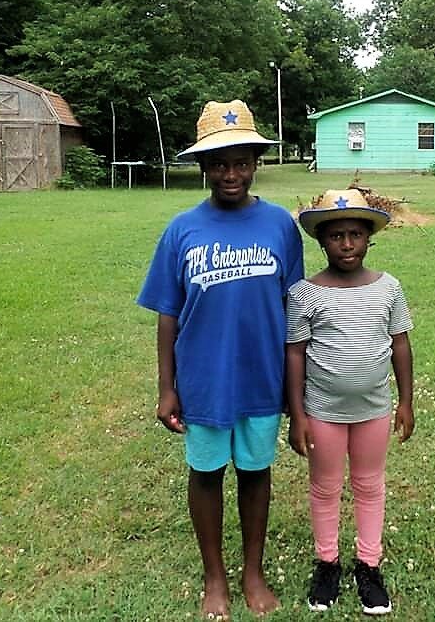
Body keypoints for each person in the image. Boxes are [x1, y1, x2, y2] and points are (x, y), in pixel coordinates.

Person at [137, 99, 304, 619]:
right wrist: (167, 387)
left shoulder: (280, 225)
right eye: (219, 163)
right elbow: (167, 314)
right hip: (204, 380)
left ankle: (252, 571)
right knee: (206, 473)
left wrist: (296, 396)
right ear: (203, 167)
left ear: (256, 162)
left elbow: (293, 311)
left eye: (241, 161)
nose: (231, 173)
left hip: (261, 377)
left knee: (255, 473)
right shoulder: (182, 230)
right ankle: (215, 577)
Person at [285, 188, 415, 615]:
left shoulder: (388, 288)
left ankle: (369, 565)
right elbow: (295, 353)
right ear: (321, 241)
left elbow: (400, 344)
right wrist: (298, 414)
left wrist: (406, 402)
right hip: (322, 411)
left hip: (374, 409)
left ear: (368, 238)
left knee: (369, 485)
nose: (346, 244)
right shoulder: (305, 294)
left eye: (355, 235)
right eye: (336, 235)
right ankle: (327, 564)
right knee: (325, 487)